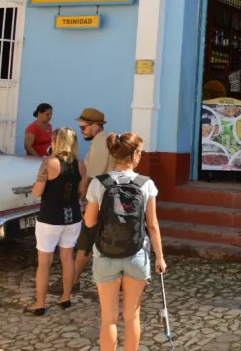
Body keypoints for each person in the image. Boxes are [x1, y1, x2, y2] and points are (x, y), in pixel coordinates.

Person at [83, 132, 166, 351]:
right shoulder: (146, 184)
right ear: (136, 154)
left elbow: (89, 221)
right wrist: (160, 257)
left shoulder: (99, 183)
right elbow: (153, 225)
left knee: (109, 319)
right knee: (132, 317)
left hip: (105, 253)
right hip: (136, 254)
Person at [53, 108, 116, 294]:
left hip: (97, 198)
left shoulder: (100, 143)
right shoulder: (104, 140)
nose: (81, 130)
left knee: (85, 242)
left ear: (95, 126)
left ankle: (72, 280)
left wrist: (84, 201)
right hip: (105, 197)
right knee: (92, 242)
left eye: (83, 127)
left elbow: (93, 175)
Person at [25, 127, 87, 315]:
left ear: (56, 141)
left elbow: (37, 192)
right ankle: (65, 297)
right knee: (68, 258)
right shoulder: (81, 164)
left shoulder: (48, 163)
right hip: (72, 217)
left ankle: (40, 304)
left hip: (50, 218)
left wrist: (36, 184)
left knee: (44, 262)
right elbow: (81, 191)